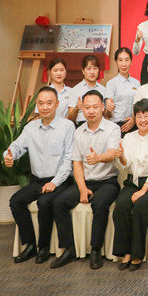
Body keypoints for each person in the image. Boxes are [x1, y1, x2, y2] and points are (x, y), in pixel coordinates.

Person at [51, 90, 121, 269]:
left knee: (99, 204)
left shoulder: (113, 128)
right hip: (85, 181)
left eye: (95, 107)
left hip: (107, 181)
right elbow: (77, 163)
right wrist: (82, 188)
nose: (91, 111)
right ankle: (69, 249)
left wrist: (98, 158)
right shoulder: (78, 132)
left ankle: (95, 249)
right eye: (87, 107)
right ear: (82, 109)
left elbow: (112, 153)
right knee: (59, 203)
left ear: (103, 107)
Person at [5, 87, 75, 264]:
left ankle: (44, 248)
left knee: (44, 202)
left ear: (57, 104)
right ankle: (30, 244)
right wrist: (9, 155)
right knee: (16, 201)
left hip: (61, 180)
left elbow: (69, 160)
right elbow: (16, 146)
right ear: (37, 105)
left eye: (49, 103)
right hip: (37, 180)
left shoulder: (67, 126)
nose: (45, 107)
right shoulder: (30, 128)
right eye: (41, 103)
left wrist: (55, 182)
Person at [111, 99, 148, 271]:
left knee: (140, 207)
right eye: (139, 116)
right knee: (121, 206)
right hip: (133, 181)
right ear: (134, 118)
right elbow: (126, 165)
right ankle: (126, 252)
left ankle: (137, 254)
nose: (142, 120)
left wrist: (143, 190)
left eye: (146, 116)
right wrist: (121, 156)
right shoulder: (128, 137)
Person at [104, 47, 140, 134]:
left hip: (134, 125)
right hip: (116, 126)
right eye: (120, 60)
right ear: (116, 61)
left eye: (127, 60)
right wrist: (109, 109)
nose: (124, 64)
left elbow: (139, 106)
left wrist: (134, 120)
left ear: (131, 61)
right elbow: (107, 114)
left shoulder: (137, 83)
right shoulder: (111, 83)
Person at [68, 55, 106, 126]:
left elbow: (106, 116)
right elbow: (70, 119)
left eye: (95, 68)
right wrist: (76, 108)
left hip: (100, 126)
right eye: (88, 69)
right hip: (81, 125)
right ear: (83, 71)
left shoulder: (103, 90)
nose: (92, 72)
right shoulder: (75, 90)